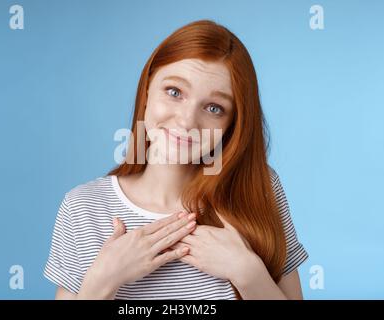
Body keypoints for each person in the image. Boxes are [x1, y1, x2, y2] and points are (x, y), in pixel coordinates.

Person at [44, 19, 309, 300]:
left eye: (214, 108)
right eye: (174, 92)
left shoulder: (259, 188)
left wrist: (247, 272)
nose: (186, 121)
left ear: (233, 123)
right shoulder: (84, 208)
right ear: (147, 90)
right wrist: (102, 280)